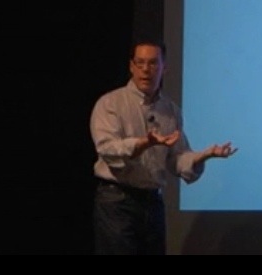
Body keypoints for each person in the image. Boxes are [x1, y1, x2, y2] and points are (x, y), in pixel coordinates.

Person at [90, 38, 237, 255]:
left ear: (164, 68)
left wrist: (204, 155)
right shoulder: (110, 104)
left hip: (152, 202)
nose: (146, 70)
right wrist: (144, 143)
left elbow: (176, 158)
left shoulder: (170, 110)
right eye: (140, 63)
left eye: (152, 63)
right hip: (117, 201)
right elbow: (108, 149)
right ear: (131, 66)